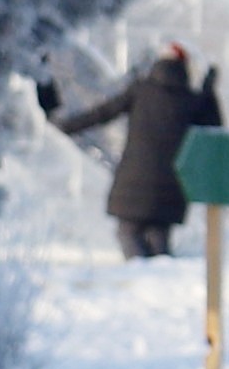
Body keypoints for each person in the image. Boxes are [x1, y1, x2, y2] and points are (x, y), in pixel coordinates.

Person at [44, 42, 219, 260]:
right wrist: (209, 93)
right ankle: (158, 277)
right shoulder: (193, 100)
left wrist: (64, 127)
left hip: (134, 178)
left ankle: (140, 274)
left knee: (128, 232)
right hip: (173, 184)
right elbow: (215, 131)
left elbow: (103, 113)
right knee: (159, 239)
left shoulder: (141, 90)